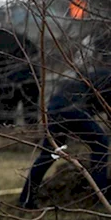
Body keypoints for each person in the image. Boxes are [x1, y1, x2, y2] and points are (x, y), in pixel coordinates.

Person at [18, 70, 111, 209]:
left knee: (49, 155)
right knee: (101, 145)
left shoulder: (99, 75)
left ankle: (26, 198)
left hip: (56, 106)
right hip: (74, 108)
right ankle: (101, 197)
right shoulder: (107, 78)